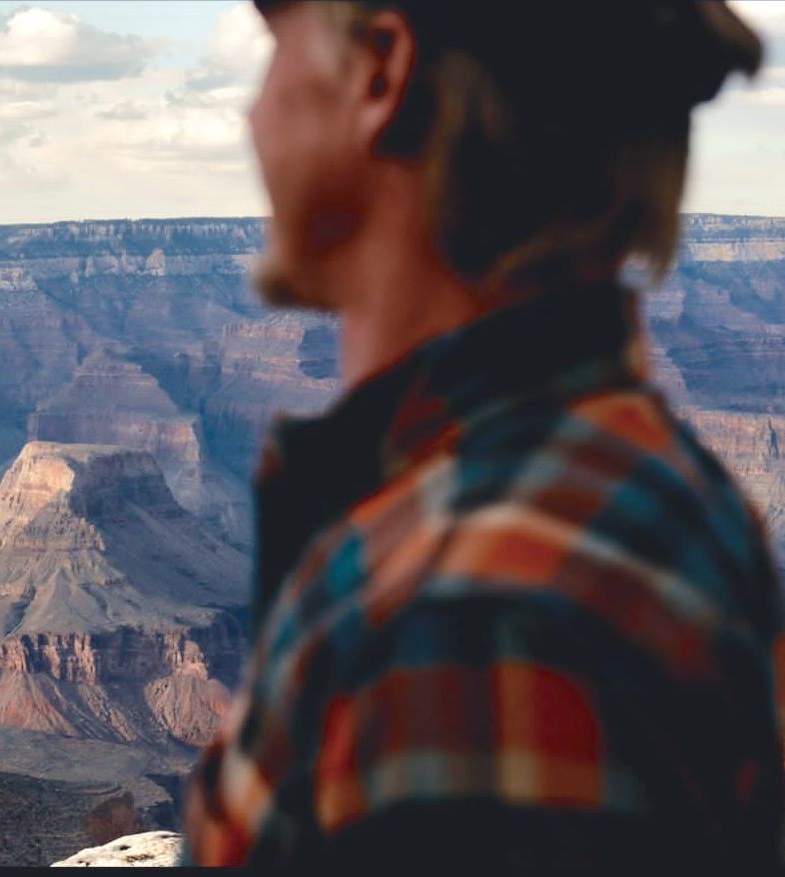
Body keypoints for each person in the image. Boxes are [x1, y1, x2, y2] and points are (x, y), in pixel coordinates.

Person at [182, 1, 781, 871]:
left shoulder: (466, 623)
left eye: (274, 43)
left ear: (380, 73)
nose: (251, 112)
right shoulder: (614, 483)